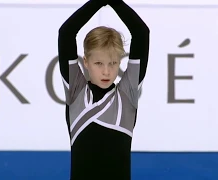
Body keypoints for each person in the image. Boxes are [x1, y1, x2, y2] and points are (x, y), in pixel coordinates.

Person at [58, 0, 149, 179]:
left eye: (113, 63)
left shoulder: (127, 94)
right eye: (99, 63)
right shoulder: (76, 91)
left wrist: (115, 1)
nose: (106, 71)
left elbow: (142, 33)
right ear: (86, 62)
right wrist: (98, 1)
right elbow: (66, 33)